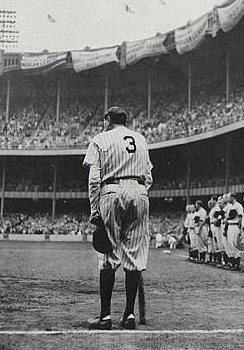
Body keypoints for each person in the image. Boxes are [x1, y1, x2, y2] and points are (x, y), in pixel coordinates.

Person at [83, 107, 153, 330]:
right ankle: (129, 315)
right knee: (134, 257)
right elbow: (149, 176)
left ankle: (105, 317)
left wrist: (95, 210)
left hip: (112, 190)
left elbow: (94, 178)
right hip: (140, 191)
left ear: (107, 120)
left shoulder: (101, 138)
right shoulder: (140, 139)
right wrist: (138, 192)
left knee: (108, 257)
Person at [224, 193, 244, 270]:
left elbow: (240, 217)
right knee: (230, 244)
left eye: (228, 198)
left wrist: (239, 229)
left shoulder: (238, 205)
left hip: (235, 226)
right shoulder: (231, 206)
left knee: (234, 243)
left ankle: (237, 265)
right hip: (230, 226)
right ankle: (232, 263)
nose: (227, 199)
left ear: (232, 197)